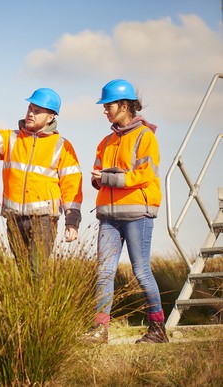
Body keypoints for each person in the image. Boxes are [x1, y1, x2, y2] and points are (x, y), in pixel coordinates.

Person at [0, 88, 83, 277]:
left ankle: (38, 306)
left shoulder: (62, 146)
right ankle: (29, 306)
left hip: (43, 219)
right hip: (14, 218)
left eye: (37, 111)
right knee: (23, 271)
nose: (30, 113)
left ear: (51, 117)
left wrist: (72, 221)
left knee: (36, 273)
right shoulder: (11, 138)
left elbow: (72, 185)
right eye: (30, 108)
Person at [85, 79, 168, 344]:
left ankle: (157, 330)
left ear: (124, 105)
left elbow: (146, 174)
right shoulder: (106, 141)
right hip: (108, 216)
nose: (105, 110)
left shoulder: (146, 136)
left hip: (137, 214)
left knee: (141, 271)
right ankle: (100, 331)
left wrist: (109, 179)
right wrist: (98, 179)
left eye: (108, 105)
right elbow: (99, 173)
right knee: (103, 272)